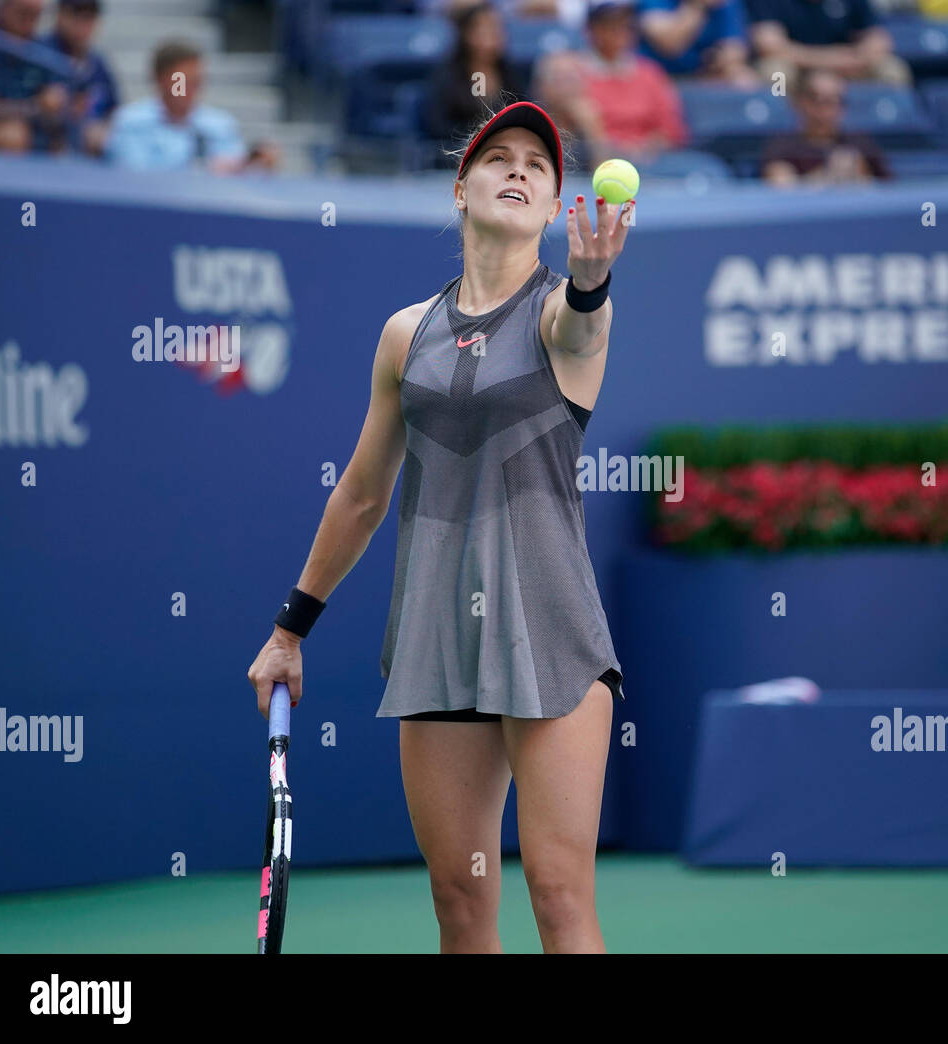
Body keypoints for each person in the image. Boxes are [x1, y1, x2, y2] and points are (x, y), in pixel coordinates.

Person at [247, 100, 632, 953]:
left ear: (555, 206)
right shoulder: (404, 335)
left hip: (551, 634)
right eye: (501, 158)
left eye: (539, 164)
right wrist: (289, 631)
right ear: (463, 189)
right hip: (438, 637)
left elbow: (583, 319)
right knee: (460, 899)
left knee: (561, 899)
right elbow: (360, 493)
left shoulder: (556, 317)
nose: (521, 170)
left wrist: (595, 278)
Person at [534, 0, 689, 171]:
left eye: (625, 25)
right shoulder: (571, 72)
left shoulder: (650, 73)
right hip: (594, 163)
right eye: (609, 25)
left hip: (650, 162)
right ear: (591, 30)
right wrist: (600, 138)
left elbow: (671, 129)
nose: (619, 32)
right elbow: (564, 132)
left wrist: (645, 148)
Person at [106, 39, 279, 173]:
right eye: (181, 81)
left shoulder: (220, 125)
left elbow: (236, 171)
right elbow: (133, 177)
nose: (190, 89)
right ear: (160, 79)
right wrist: (205, 169)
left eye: (196, 81)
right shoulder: (130, 122)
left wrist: (256, 165)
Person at [419, 2, 530, 156]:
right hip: (456, 158)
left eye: (498, 28)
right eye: (485, 28)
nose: (494, 34)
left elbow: (524, 115)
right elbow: (437, 126)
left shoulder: (511, 75)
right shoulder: (447, 77)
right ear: (467, 34)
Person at [761, 66, 889, 185]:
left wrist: (862, 175)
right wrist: (827, 175)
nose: (831, 109)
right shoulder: (782, 147)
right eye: (823, 101)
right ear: (803, 102)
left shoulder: (860, 143)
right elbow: (781, 188)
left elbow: (887, 189)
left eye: (838, 101)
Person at [744, 0, 910, 87]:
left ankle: (883, 126)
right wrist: (836, 59)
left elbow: (879, 40)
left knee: (891, 70)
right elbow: (768, 46)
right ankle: (776, 126)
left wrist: (853, 58)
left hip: (847, 69)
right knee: (775, 74)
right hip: (799, 69)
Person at [0, 0, 72, 153]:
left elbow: (58, 105)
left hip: (37, 133)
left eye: (35, 15)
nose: (28, 21)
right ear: (3, 8)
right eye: (23, 12)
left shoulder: (45, 53)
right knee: (12, 135)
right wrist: (36, 105)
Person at [41, 0, 116, 156]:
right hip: (42, 147)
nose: (82, 26)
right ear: (60, 15)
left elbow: (113, 109)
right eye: (76, 17)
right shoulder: (37, 53)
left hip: (87, 159)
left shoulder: (98, 63)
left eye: (88, 18)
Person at [636, 0, 759, 85]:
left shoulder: (725, 4)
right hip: (660, 76)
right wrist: (696, 6)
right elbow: (669, 45)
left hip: (703, 73)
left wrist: (721, 59)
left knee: (744, 80)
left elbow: (735, 50)